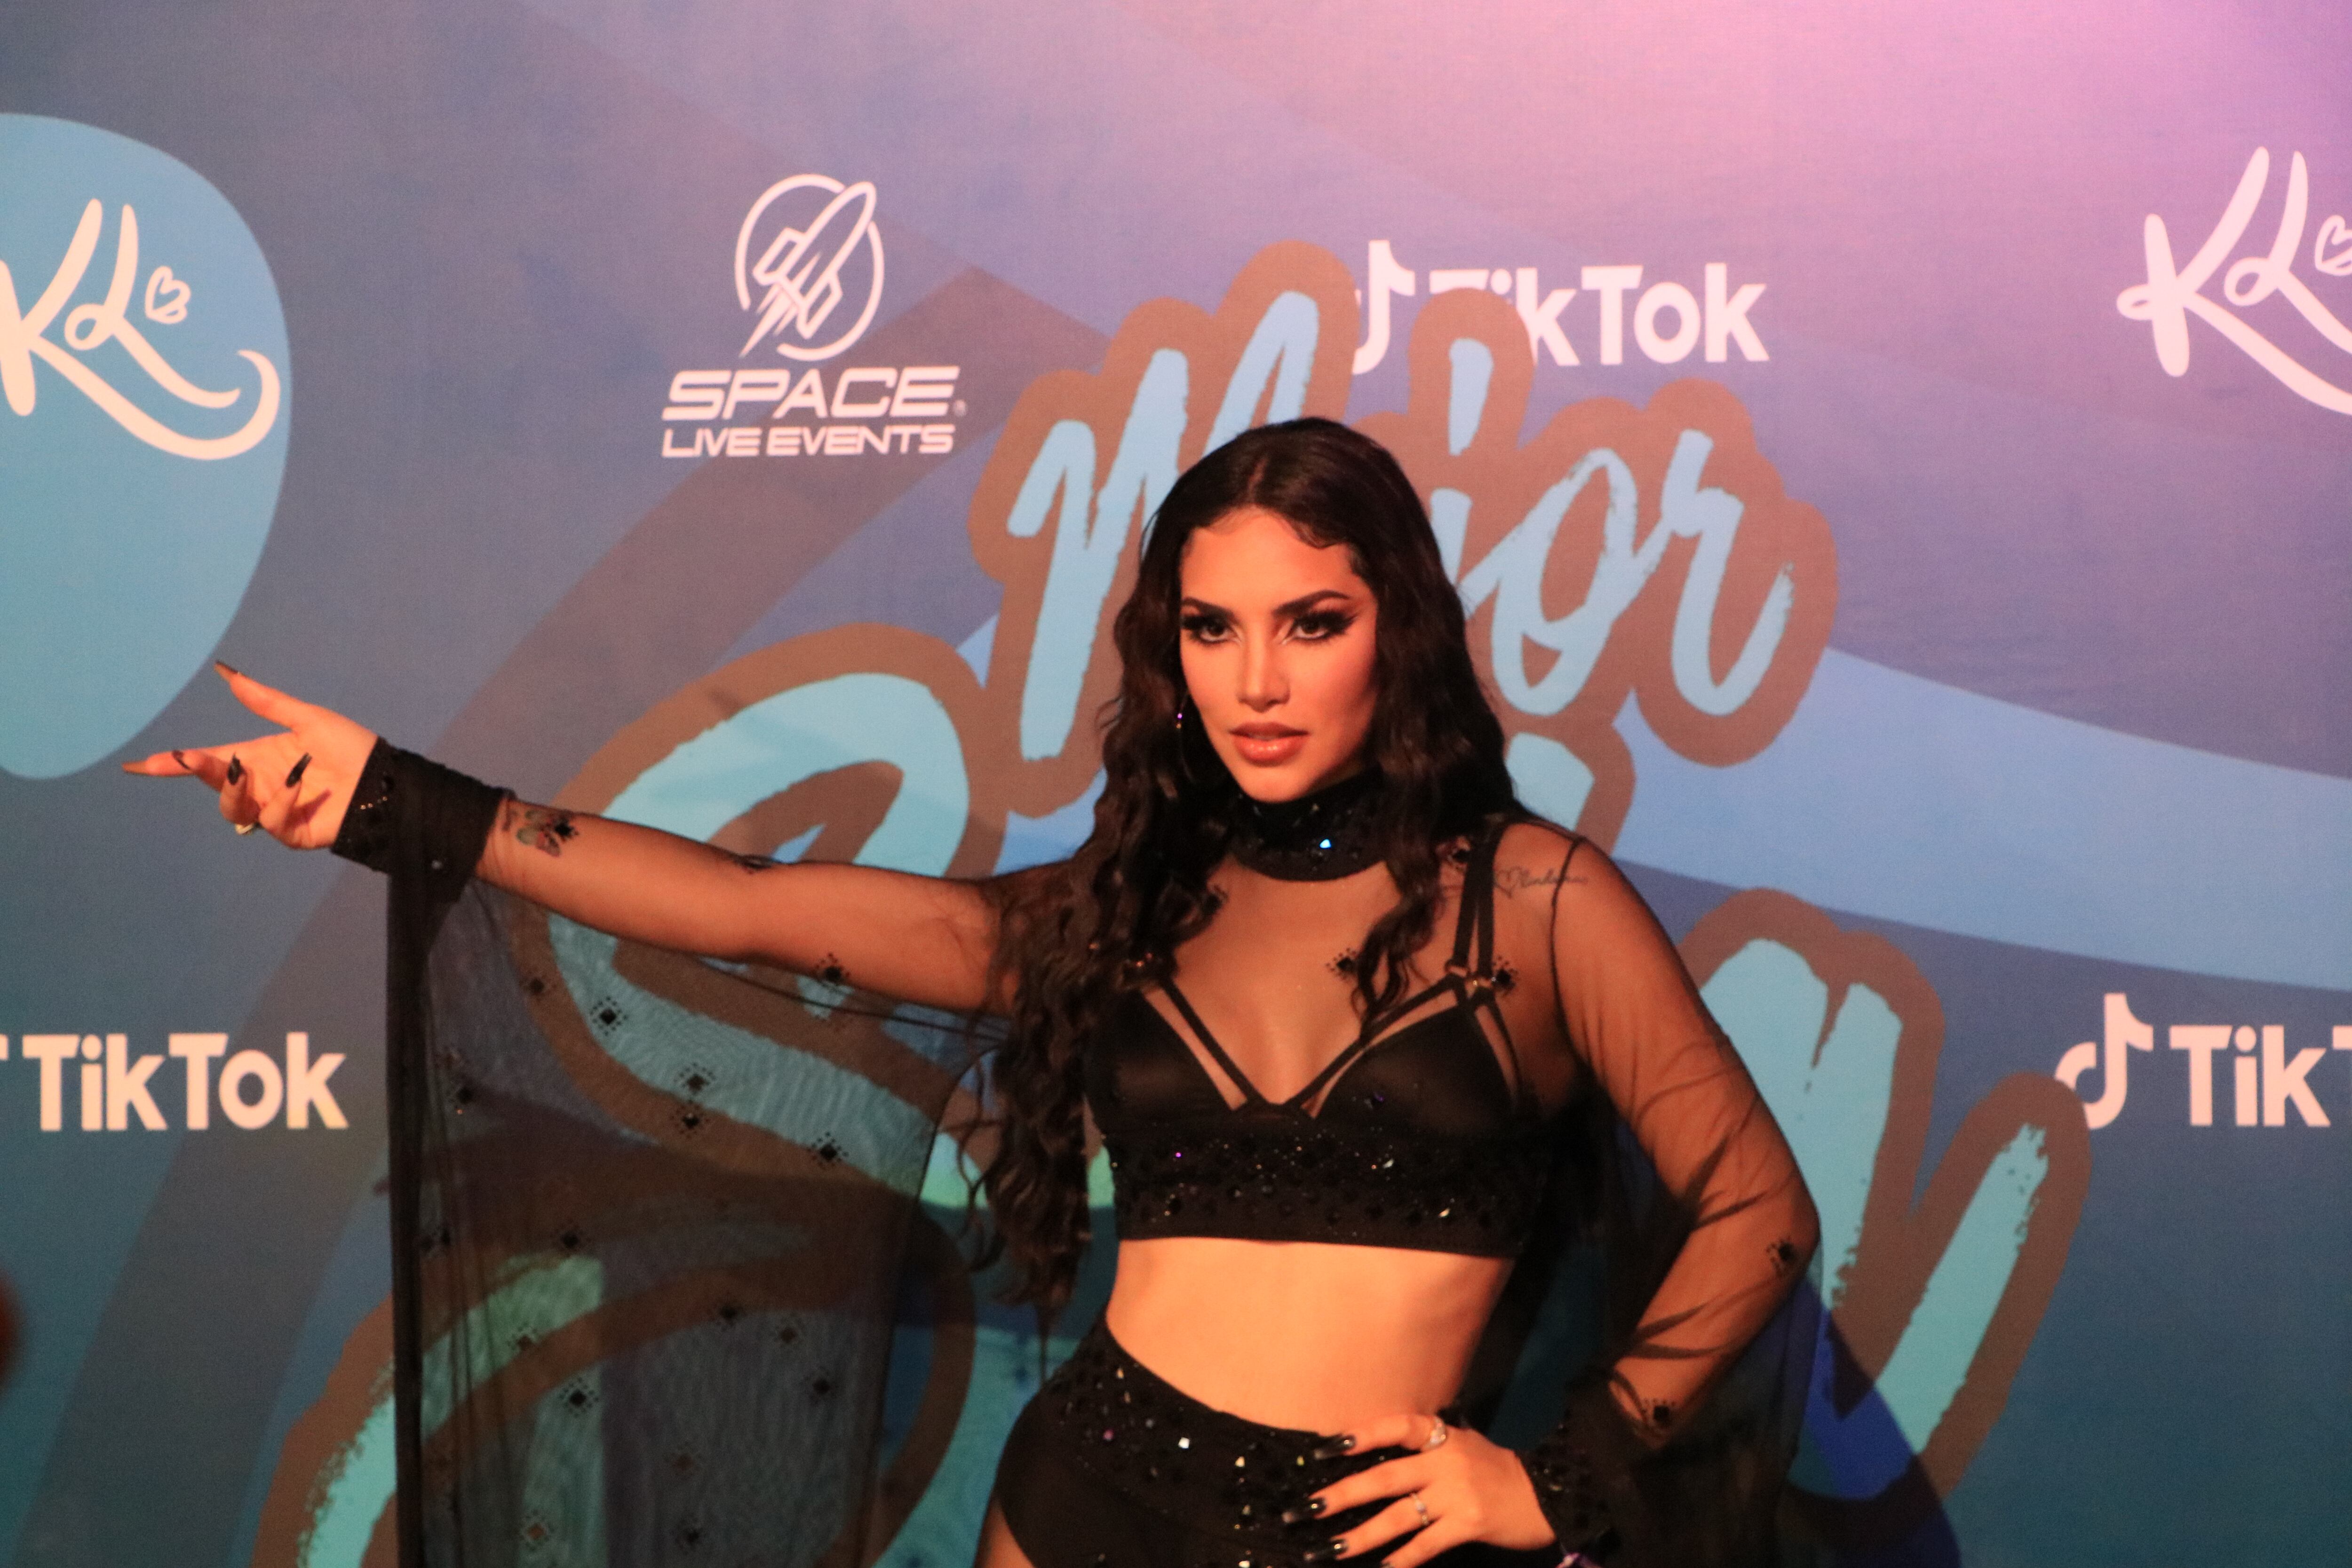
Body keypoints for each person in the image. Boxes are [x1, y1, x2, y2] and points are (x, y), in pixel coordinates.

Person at [133, 418, 1818, 1568]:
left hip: (1377, 1536)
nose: (1257, 680)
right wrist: (390, 802)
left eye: (1312, 623)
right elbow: (753, 910)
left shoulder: (1535, 903)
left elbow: (1757, 1207)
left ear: (1403, 631)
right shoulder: (1125, 908)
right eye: (1211, 629)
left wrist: (1563, 1476)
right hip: (1091, 1503)